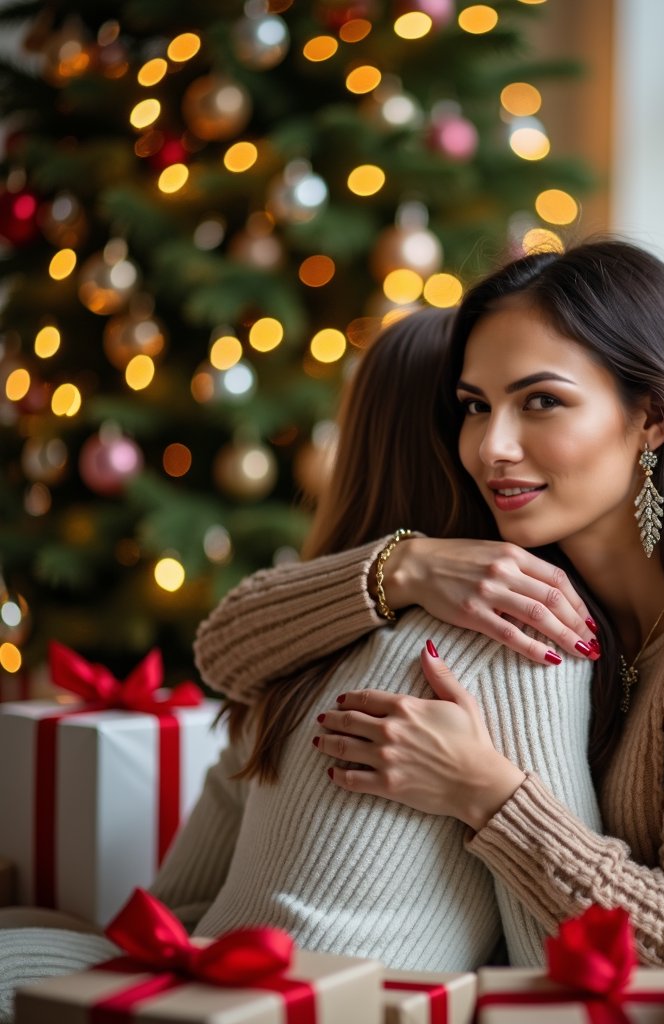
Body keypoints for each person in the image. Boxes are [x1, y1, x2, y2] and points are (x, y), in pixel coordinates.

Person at [193, 240, 664, 969]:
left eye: (541, 403)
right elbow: (226, 655)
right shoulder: (546, 586)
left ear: (653, 417)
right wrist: (405, 565)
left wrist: (482, 790)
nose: (492, 446)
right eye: (474, 405)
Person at [0, 308, 602, 1022]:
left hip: (202, 985)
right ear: (458, 439)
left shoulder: (303, 645)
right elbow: (562, 969)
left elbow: (178, 910)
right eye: (476, 407)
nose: (499, 440)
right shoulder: (525, 634)